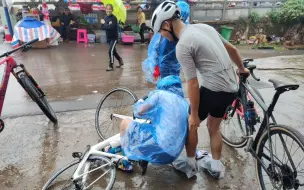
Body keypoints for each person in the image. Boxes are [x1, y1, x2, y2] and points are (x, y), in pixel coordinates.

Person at [151, 0, 250, 179]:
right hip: (231, 89)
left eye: (161, 33)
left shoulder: (182, 46)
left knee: (191, 126)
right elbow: (232, 49)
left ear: (167, 24)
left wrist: (194, 114)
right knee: (214, 127)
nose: (163, 37)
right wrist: (242, 69)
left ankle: (190, 167)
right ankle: (216, 168)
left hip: (214, 89)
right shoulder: (205, 27)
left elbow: (193, 83)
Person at [119, 75, 189, 171]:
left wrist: (140, 101)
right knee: (153, 129)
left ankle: (125, 161)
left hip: (159, 149)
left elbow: (139, 112)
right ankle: (143, 157)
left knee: (124, 123)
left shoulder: (160, 94)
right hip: (173, 156)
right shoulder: (185, 104)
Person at [101, 4, 124, 71]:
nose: (108, 10)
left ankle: (111, 66)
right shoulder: (105, 18)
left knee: (110, 51)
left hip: (114, 38)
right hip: (108, 38)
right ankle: (120, 60)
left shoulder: (114, 18)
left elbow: (111, 27)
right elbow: (102, 27)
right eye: (107, 9)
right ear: (105, 10)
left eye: (110, 9)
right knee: (113, 51)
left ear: (112, 10)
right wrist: (107, 25)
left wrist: (105, 24)